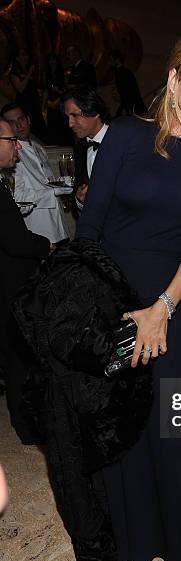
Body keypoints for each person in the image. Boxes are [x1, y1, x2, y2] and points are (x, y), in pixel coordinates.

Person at [75, 32, 181, 561]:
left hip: (174, 300)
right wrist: (104, 306)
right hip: (113, 300)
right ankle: (134, 531)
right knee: (122, 419)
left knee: (169, 417)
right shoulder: (122, 136)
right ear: (172, 78)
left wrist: (163, 306)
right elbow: (90, 228)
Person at [0, 118, 50, 443]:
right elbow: (15, 242)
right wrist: (48, 246)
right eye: (11, 140)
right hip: (7, 291)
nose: (18, 145)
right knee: (18, 357)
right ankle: (30, 428)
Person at [1, 103, 69, 244]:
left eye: (21, 119)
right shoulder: (9, 155)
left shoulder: (39, 147)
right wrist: (54, 192)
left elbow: (45, 182)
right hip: (38, 230)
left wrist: (62, 184)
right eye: (11, 122)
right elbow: (18, 198)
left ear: (28, 120)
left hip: (59, 225)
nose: (19, 125)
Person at [62, 87, 110, 214]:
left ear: (94, 111)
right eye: (68, 117)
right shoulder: (81, 149)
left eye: (75, 115)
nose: (70, 124)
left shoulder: (122, 140)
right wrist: (80, 201)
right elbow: (80, 193)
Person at [9, 48, 48, 142]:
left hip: (34, 103)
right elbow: (20, 88)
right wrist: (29, 73)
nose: (25, 57)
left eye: (26, 55)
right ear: (17, 58)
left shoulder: (28, 71)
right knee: (29, 127)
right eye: (22, 55)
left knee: (39, 127)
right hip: (24, 104)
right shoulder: (15, 72)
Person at [109, 49, 147, 116]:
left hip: (133, 107)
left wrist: (127, 109)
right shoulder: (121, 72)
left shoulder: (123, 73)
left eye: (111, 60)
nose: (110, 62)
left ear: (117, 60)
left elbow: (130, 92)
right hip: (132, 107)